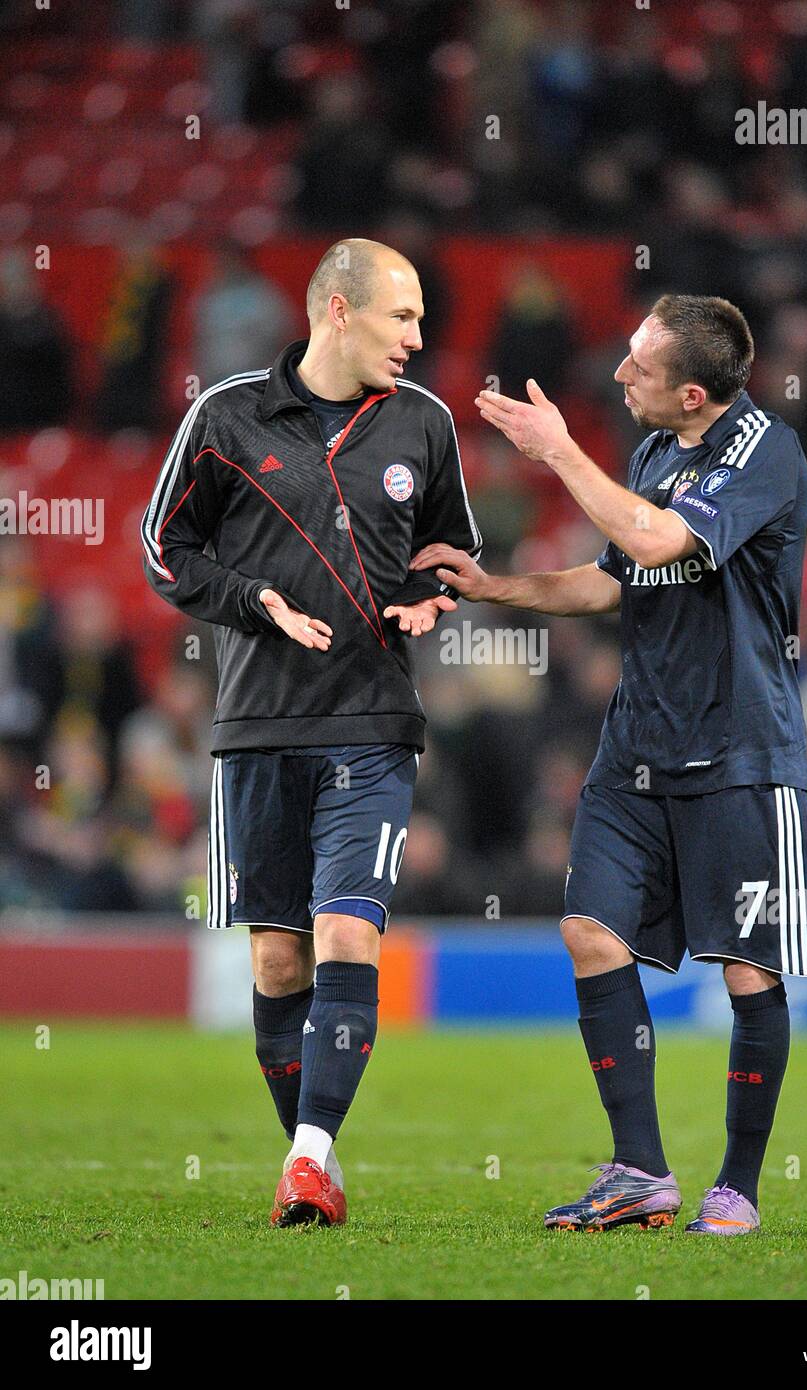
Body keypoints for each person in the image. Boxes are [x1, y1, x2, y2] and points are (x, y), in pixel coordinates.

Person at [411, 294, 807, 1236]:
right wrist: (497, 585)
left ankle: (739, 1186)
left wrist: (557, 450)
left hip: (741, 751)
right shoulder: (649, 454)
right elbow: (615, 575)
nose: (619, 374)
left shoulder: (766, 451)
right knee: (590, 932)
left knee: (747, 972)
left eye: (638, 366)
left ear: (691, 391)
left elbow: (655, 540)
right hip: (635, 748)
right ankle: (639, 1169)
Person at [141, 238, 481, 1228]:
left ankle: (307, 1156)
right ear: (338, 310)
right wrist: (252, 599)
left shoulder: (422, 424)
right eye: (402, 317)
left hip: (373, 724)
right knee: (278, 963)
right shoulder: (226, 416)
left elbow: (453, 548)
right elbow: (166, 550)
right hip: (254, 726)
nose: (419, 338)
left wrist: (428, 595)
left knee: (345, 933)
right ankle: (314, 1158)